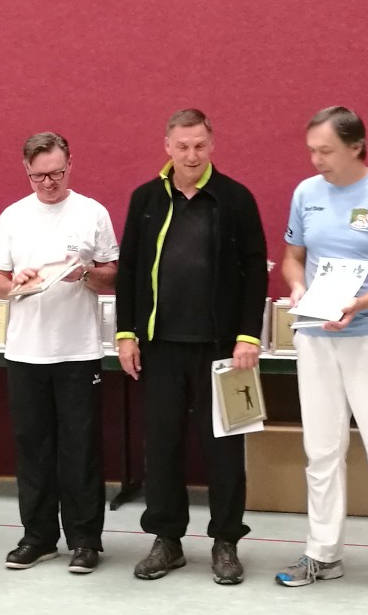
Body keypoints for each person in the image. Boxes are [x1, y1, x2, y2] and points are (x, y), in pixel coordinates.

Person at [275, 106, 368, 602]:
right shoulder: (306, 194)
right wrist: (298, 288)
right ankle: (323, 553)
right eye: (311, 151)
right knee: (321, 451)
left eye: (325, 151)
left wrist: (360, 303)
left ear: (356, 147)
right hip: (316, 339)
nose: (316, 160)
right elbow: (292, 258)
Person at [114, 109, 269, 585]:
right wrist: (126, 334)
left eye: (199, 145)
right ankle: (167, 541)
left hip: (224, 350)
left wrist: (248, 336)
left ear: (212, 145)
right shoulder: (145, 199)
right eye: (182, 146)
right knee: (161, 446)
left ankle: (226, 542)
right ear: (167, 146)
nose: (191, 155)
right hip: (160, 348)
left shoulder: (236, 198)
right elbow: (129, 272)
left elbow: (255, 270)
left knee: (225, 450)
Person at [0, 133, 120, 572]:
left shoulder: (92, 212)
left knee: (81, 448)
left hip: (78, 351)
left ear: (70, 164)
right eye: (38, 176)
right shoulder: (13, 216)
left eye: (56, 173)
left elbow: (113, 274)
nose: (48, 183)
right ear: (26, 171)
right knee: (33, 448)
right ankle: (38, 537)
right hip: (26, 352)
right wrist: (14, 284)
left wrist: (87, 274)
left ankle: (85, 540)